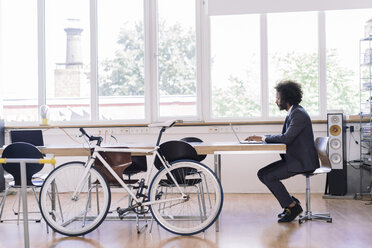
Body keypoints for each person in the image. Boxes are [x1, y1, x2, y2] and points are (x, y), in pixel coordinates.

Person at [246, 80, 319, 223]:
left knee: (269, 177)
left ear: (286, 98)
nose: (276, 101)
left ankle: (292, 206)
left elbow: (286, 138)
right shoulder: (294, 113)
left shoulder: (298, 114)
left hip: (302, 161)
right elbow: (287, 137)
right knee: (262, 173)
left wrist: (263, 138)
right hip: (295, 158)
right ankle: (290, 203)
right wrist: (263, 138)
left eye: (278, 98)